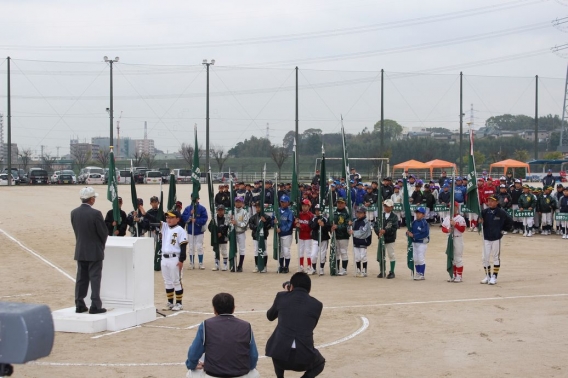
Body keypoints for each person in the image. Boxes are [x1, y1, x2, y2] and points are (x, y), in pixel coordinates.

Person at [266, 272, 325, 378]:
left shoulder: (281, 296)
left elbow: (270, 316)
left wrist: (286, 294)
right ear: (309, 289)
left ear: (291, 286)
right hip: (303, 359)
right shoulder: (317, 305)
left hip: (280, 358)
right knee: (320, 363)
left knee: (278, 344)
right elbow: (309, 325)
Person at [186, 293, 259, 378]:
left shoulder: (206, 325)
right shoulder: (246, 325)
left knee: (191, 373)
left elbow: (194, 353)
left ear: (214, 310)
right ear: (233, 309)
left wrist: (191, 365)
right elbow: (253, 356)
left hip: (213, 375)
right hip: (240, 374)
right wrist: (249, 368)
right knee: (254, 372)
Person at [71, 187, 108, 314]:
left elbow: (77, 231)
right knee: (95, 278)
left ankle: (79, 303)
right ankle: (95, 305)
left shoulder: (74, 212)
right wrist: (100, 245)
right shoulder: (96, 213)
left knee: (81, 278)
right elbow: (103, 233)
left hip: (81, 249)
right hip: (94, 250)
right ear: (91, 199)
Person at [478, 195, 513, 285]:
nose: (490, 202)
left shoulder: (501, 212)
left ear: (497, 202)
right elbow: (478, 223)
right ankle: (488, 276)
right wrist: (479, 221)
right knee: (484, 258)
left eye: (492, 201)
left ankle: (494, 276)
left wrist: (503, 230)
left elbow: (510, 221)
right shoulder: (484, 212)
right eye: (489, 201)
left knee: (495, 257)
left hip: (496, 238)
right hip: (486, 238)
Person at [160, 210, 188, 311]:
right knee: (167, 281)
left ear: (177, 219)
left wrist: (181, 260)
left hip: (174, 258)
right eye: (167, 218)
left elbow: (183, 246)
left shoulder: (180, 230)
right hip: (164, 257)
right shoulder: (165, 227)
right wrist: (143, 211)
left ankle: (179, 303)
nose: (169, 220)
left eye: (171, 218)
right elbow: (153, 219)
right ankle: (170, 302)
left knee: (176, 281)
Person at [182, 194, 209, 269]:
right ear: (190, 198)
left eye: (196, 198)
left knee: (199, 246)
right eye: (193, 198)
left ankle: (200, 263)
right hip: (190, 231)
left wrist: (196, 220)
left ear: (198, 199)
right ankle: (192, 263)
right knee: (191, 247)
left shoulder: (202, 208)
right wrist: (190, 215)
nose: (194, 199)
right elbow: (183, 217)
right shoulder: (187, 208)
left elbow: (205, 218)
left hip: (199, 231)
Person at [375, 199, 399, 279]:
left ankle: (392, 271)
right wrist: (378, 231)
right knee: (381, 255)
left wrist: (385, 231)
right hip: (382, 238)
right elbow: (376, 225)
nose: (386, 208)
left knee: (391, 254)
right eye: (385, 206)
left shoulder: (394, 217)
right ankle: (382, 270)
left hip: (390, 239)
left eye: (387, 206)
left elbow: (394, 227)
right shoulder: (380, 216)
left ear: (391, 207)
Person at [442, 202, 466, 282]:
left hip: (457, 238)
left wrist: (455, 224)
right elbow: (443, 228)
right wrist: (447, 230)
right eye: (450, 207)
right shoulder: (447, 218)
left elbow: (462, 230)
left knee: (457, 258)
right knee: (451, 256)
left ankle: (459, 276)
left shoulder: (460, 218)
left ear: (457, 208)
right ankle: (453, 275)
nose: (452, 209)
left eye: (453, 207)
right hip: (449, 239)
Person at [248, 201, 272, 273]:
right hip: (255, 236)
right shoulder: (253, 217)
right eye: (256, 207)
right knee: (256, 250)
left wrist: (264, 222)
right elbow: (251, 226)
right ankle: (257, 265)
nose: (257, 209)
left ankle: (264, 266)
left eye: (259, 207)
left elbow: (269, 226)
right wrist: (258, 228)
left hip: (263, 236)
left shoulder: (267, 217)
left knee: (263, 250)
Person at [406, 206, 429, 280]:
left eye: (419, 213)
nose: (417, 214)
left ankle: (421, 274)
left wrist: (414, 235)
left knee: (420, 258)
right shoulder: (414, 222)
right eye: (417, 213)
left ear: (423, 214)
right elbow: (411, 231)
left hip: (422, 243)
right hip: (414, 243)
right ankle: (418, 272)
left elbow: (425, 233)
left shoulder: (424, 223)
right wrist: (407, 233)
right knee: (415, 258)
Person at [349, 206, 372, 277]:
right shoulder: (355, 221)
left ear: (364, 213)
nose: (359, 214)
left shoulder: (366, 222)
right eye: (358, 213)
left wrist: (354, 233)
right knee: (357, 256)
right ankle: (358, 269)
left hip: (363, 242)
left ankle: (364, 270)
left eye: (360, 213)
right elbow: (350, 230)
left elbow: (363, 232)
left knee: (363, 256)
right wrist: (349, 226)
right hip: (356, 242)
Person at [309, 204, 331, 276]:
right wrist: (317, 223)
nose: (317, 212)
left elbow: (328, 228)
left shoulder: (325, 218)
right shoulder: (313, 218)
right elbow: (311, 226)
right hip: (315, 238)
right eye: (316, 210)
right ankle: (314, 268)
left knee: (322, 254)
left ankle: (321, 268)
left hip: (324, 239)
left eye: (319, 210)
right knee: (313, 255)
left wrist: (323, 225)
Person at [332, 197, 351, 276]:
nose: (339, 204)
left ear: (344, 204)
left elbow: (347, 225)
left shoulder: (346, 213)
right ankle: (336, 268)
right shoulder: (334, 212)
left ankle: (344, 269)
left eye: (341, 203)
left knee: (343, 251)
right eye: (338, 203)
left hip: (343, 235)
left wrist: (337, 227)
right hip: (335, 235)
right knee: (336, 252)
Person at [275, 195, 295, 273]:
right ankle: (281, 266)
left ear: (288, 203)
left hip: (287, 234)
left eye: (284, 202)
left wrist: (282, 229)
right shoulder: (277, 211)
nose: (282, 203)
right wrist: (274, 222)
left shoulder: (290, 212)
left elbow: (289, 224)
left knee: (286, 250)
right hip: (279, 233)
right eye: (281, 202)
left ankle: (286, 266)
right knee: (281, 251)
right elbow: (273, 220)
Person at [209, 204, 229, 271]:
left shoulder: (226, 218)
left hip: (223, 237)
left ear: (224, 211)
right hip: (216, 238)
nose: (220, 212)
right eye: (219, 210)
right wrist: (215, 232)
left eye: (221, 210)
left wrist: (222, 233)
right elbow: (210, 227)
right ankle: (217, 264)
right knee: (216, 251)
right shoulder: (214, 219)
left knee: (224, 251)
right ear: (217, 211)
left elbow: (227, 227)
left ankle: (225, 264)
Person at [232, 196, 249, 272]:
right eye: (236, 201)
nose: (238, 203)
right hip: (233, 233)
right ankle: (234, 265)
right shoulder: (231, 211)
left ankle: (240, 265)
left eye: (239, 202)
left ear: (242, 203)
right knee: (233, 249)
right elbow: (227, 221)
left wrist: (237, 223)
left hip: (241, 233)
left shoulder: (245, 212)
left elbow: (245, 224)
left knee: (242, 249)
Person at [296, 199, 314, 273]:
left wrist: (301, 226)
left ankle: (309, 266)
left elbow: (310, 226)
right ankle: (301, 266)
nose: (304, 207)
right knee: (300, 251)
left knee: (308, 251)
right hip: (301, 236)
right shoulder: (299, 214)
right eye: (303, 206)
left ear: (309, 206)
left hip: (308, 237)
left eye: (305, 206)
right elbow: (296, 225)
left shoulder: (311, 215)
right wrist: (296, 223)